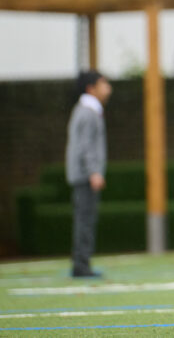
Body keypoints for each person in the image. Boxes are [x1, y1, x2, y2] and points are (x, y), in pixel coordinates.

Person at [65, 70, 112, 279]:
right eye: (103, 83)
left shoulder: (87, 110)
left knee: (84, 219)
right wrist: (94, 172)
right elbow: (86, 146)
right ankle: (81, 265)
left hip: (82, 174)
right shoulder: (87, 112)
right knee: (85, 220)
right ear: (90, 88)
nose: (108, 87)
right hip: (85, 175)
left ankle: (81, 262)